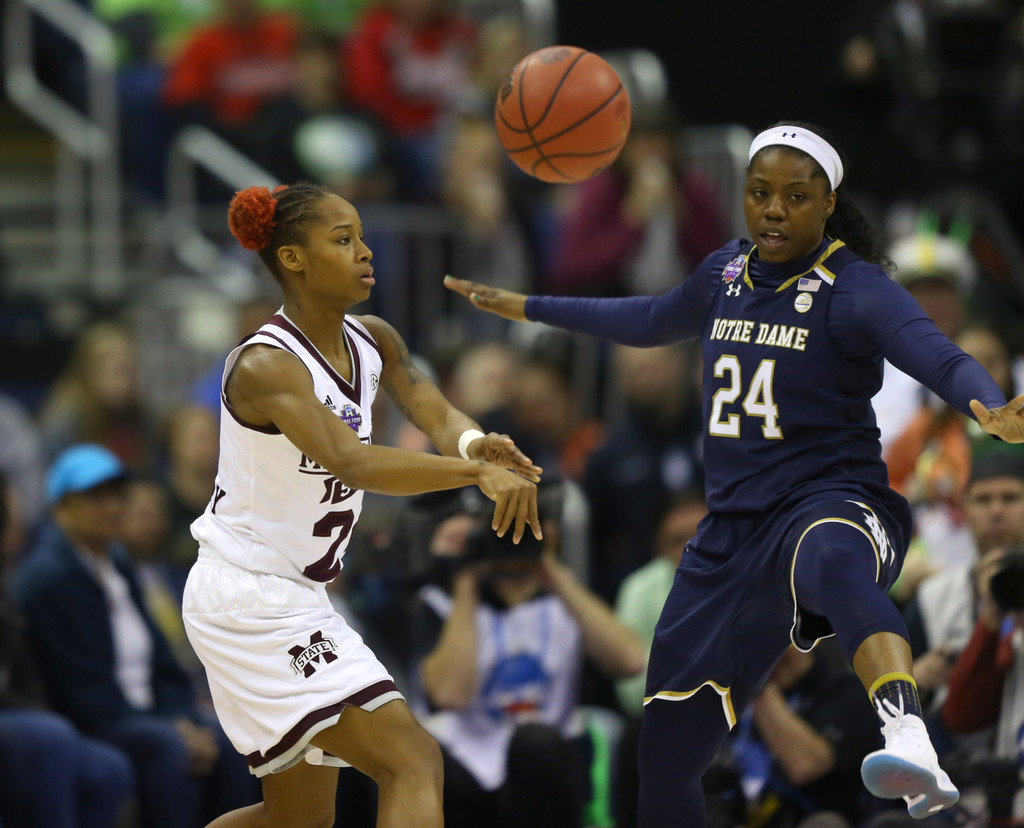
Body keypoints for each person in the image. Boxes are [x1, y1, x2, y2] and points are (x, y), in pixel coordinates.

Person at [444, 120, 1024, 826]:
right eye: (759, 193)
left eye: (795, 195)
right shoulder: (724, 271)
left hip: (830, 498)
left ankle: (906, 732)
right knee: (666, 754)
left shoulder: (855, 286)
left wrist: (988, 405)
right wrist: (531, 306)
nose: (774, 209)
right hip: (730, 535)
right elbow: (650, 317)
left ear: (828, 203)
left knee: (833, 557)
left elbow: (934, 352)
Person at [180, 180, 542, 828]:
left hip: (295, 593)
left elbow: (428, 406)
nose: (365, 251)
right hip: (249, 595)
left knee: (299, 820)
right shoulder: (267, 365)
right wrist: (472, 475)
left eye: (363, 237)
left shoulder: (373, 338)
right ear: (293, 259)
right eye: (343, 240)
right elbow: (351, 461)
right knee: (411, 759)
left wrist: (473, 443)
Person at [14, 444, 258, 828]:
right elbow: (80, 689)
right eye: (94, 496)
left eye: (117, 495)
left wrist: (181, 715)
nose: (111, 506)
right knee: (169, 746)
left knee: (235, 743)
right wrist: (172, 726)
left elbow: (162, 664)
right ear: (61, 508)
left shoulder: (119, 565)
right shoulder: (49, 580)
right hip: (98, 719)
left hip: (147, 714)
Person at [408, 484, 645, 828]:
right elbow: (449, 695)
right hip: (469, 773)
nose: (508, 540)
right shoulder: (441, 604)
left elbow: (631, 662)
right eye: (496, 529)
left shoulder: (565, 601)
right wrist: (465, 577)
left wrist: (549, 568)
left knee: (535, 746)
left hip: (548, 765)